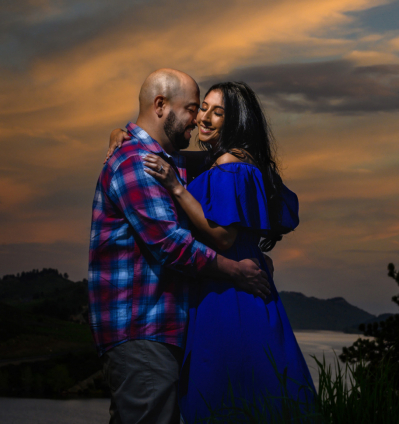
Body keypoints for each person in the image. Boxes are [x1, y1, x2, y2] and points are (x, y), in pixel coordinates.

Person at [108, 81, 317, 422]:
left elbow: (222, 237)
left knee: (229, 393)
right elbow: (169, 154)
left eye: (217, 112)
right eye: (203, 107)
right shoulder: (221, 163)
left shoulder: (230, 166)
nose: (204, 117)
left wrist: (176, 187)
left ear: (235, 123)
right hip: (227, 286)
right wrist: (122, 133)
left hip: (231, 291)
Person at [90, 69, 270, 424]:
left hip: (161, 330)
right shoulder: (135, 163)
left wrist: (249, 246)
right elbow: (170, 244)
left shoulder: (170, 165)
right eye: (192, 108)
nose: (198, 118)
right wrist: (235, 269)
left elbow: (225, 170)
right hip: (141, 330)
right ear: (160, 105)